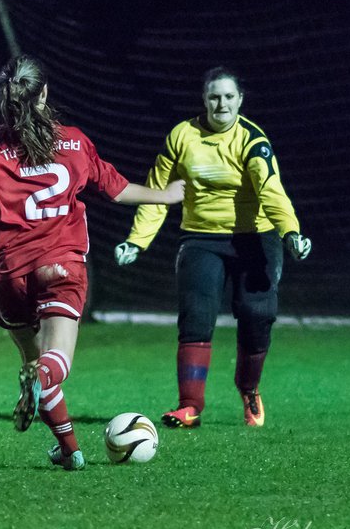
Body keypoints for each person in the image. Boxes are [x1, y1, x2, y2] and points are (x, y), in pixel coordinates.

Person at [0, 54, 184, 471]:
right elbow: (119, 190)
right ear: (45, 94)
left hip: (11, 274)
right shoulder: (75, 142)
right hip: (61, 264)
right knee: (56, 362)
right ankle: (43, 378)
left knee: (33, 359)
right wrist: (169, 195)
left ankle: (69, 451)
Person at [114, 67, 311, 429]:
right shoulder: (181, 135)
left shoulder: (253, 140)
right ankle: (189, 406)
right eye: (214, 97)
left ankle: (249, 389)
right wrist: (136, 241)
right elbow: (158, 192)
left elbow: (272, 191)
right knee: (196, 317)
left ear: (240, 100)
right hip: (201, 238)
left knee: (257, 314)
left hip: (255, 237)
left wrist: (291, 232)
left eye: (228, 97)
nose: (221, 103)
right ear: (204, 100)